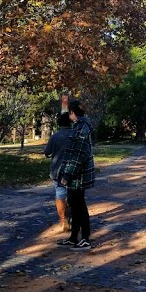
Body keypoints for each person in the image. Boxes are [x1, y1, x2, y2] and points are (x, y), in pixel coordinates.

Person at [56, 99, 96, 251]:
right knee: (74, 205)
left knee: (79, 206)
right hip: (77, 175)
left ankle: (85, 238)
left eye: (69, 112)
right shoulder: (80, 126)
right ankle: (74, 237)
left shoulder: (81, 128)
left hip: (78, 176)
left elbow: (78, 155)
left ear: (72, 112)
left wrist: (67, 174)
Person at [43, 128, 73, 232]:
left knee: (60, 194)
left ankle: (62, 220)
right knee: (73, 194)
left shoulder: (55, 136)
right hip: (73, 169)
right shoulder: (75, 135)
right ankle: (72, 219)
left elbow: (47, 151)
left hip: (58, 170)